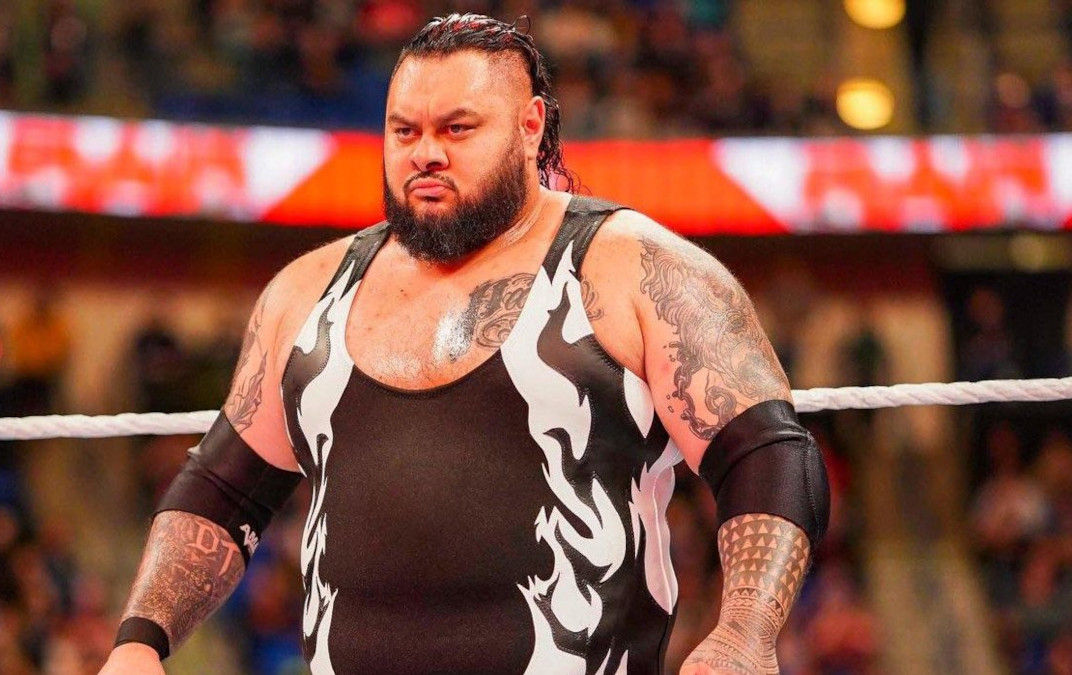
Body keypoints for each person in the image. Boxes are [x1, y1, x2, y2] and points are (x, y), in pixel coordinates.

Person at [99, 14, 829, 675]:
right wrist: (141, 638)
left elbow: (769, 455)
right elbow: (223, 491)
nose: (426, 154)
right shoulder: (307, 293)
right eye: (404, 132)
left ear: (530, 126)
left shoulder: (632, 269)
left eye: (457, 129)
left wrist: (745, 631)